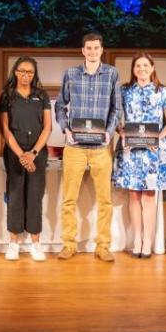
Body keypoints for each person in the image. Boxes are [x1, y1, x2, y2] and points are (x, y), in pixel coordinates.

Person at [55, 33, 122, 263]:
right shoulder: (71, 74)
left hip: (101, 148)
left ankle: (103, 245)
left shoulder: (112, 74)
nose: (92, 52)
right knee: (68, 199)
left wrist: (109, 132)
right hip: (74, 147)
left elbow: (116, 109)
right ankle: (68, 244)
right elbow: (60, 106)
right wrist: (66, 130)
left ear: (102, 50)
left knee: (105, 200)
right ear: (82, 50)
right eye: (88, 48)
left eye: (96, 48)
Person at [114, 53, 166, 258]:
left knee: (149, 195)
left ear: (152, 68)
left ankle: (148, 241)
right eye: (138, 65)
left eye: (145, 65)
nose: (141, 69)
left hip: (153, 152)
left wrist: (157, 138)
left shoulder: (163, 92)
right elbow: (116, 119)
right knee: (133, 195)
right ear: (133, 69)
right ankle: (138, 240)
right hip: (131, 151)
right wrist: (122, 133)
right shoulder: (124, 91)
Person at [0, 56, 52, 262]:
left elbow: (48, 127)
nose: (25, 75)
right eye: (22, 71)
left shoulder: (42, 95)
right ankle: (13, 243)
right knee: (15, 196)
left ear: (34, 74)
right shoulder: (7, 96)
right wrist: (21, 154)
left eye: (29, 72)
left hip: (37, 153)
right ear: (15, 72)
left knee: (34, 196)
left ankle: (36, 243)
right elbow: (5, 129)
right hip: (14, 153)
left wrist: (33, 153)